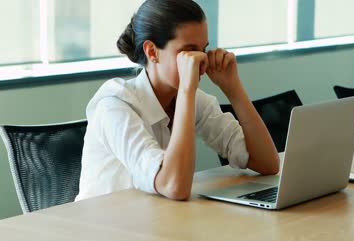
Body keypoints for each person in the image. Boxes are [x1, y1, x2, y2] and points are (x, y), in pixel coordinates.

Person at [75, 0, 279, 201]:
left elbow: (267, 163)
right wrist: (186, 90)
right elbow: (174, 186)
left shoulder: (194, 100)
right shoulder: (114, 106)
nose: (200, 60)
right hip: (99, 228)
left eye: (203, 49)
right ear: (152, 52)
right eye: (188, 51)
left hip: (153, 221)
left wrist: (233, 89)